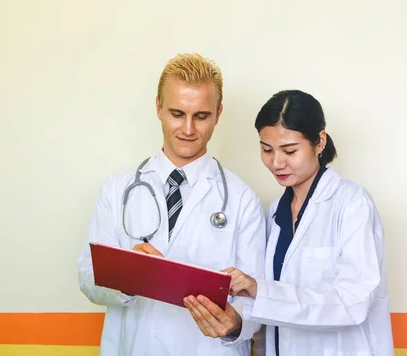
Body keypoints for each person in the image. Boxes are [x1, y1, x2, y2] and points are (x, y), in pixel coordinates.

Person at [77, 53, 266, 356]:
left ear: (218, 114)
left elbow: (256, 297)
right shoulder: (117, 190)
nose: (188, 129)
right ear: (158, 108)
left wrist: (235, 324)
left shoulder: (243, 200)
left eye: (201, 116)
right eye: (177, 113)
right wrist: (126, 277)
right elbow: (88, 277)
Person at [184, 89, 394, 355]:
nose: (276, 162)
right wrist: (234, 318)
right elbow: (262, 308)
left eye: (289, 150)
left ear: (320, 142)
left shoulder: (352, 204)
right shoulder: (274, 213)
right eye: (266, 149)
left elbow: (354, 303)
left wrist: (261, 290)